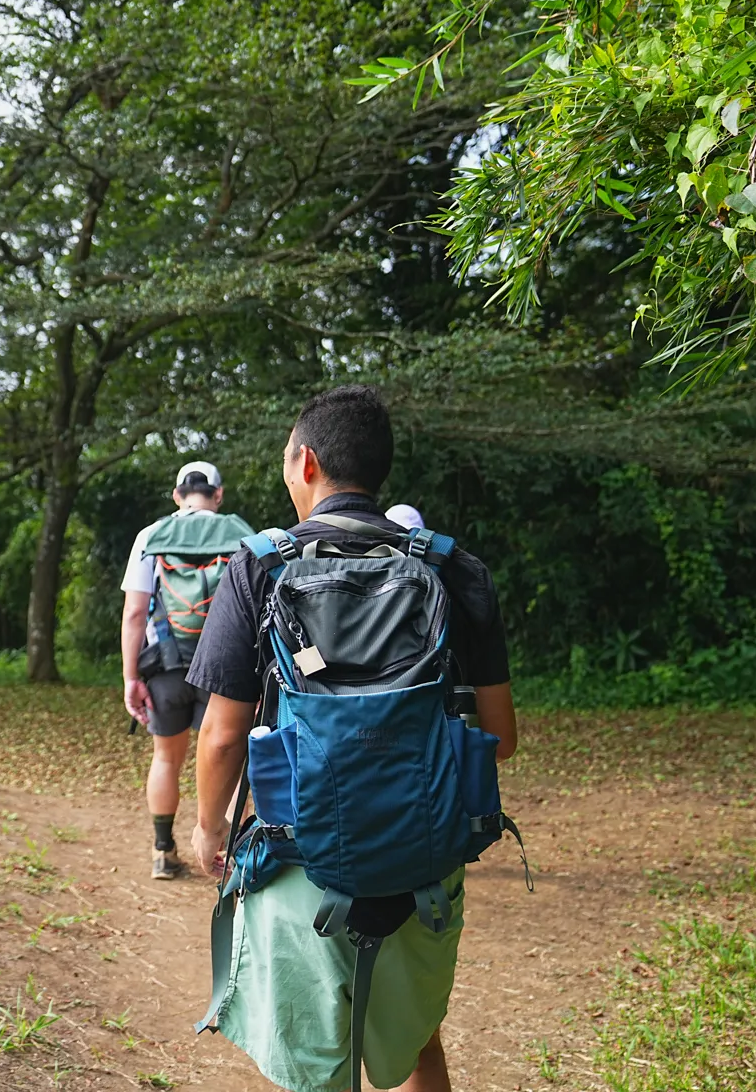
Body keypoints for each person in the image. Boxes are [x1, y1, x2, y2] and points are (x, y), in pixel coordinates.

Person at [187, 386, 518, 1092]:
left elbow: (220, 737)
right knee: (420, 1046)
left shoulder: (258, 566)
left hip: (296, 862)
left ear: (305, 462)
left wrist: (208, 829)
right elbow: (501, 738)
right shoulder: (452, 567)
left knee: (313, 1072)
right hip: (422, 862)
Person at [120, 461, 251, 879]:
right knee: (232, 757)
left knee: (165, 758)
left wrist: (130, 677)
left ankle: (163, 851)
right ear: (218, 494)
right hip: (226, 668)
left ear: (177, 495)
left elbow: (135, 613)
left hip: (166, 667)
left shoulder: (152, 536)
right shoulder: (242, 534)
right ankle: (229, 853)